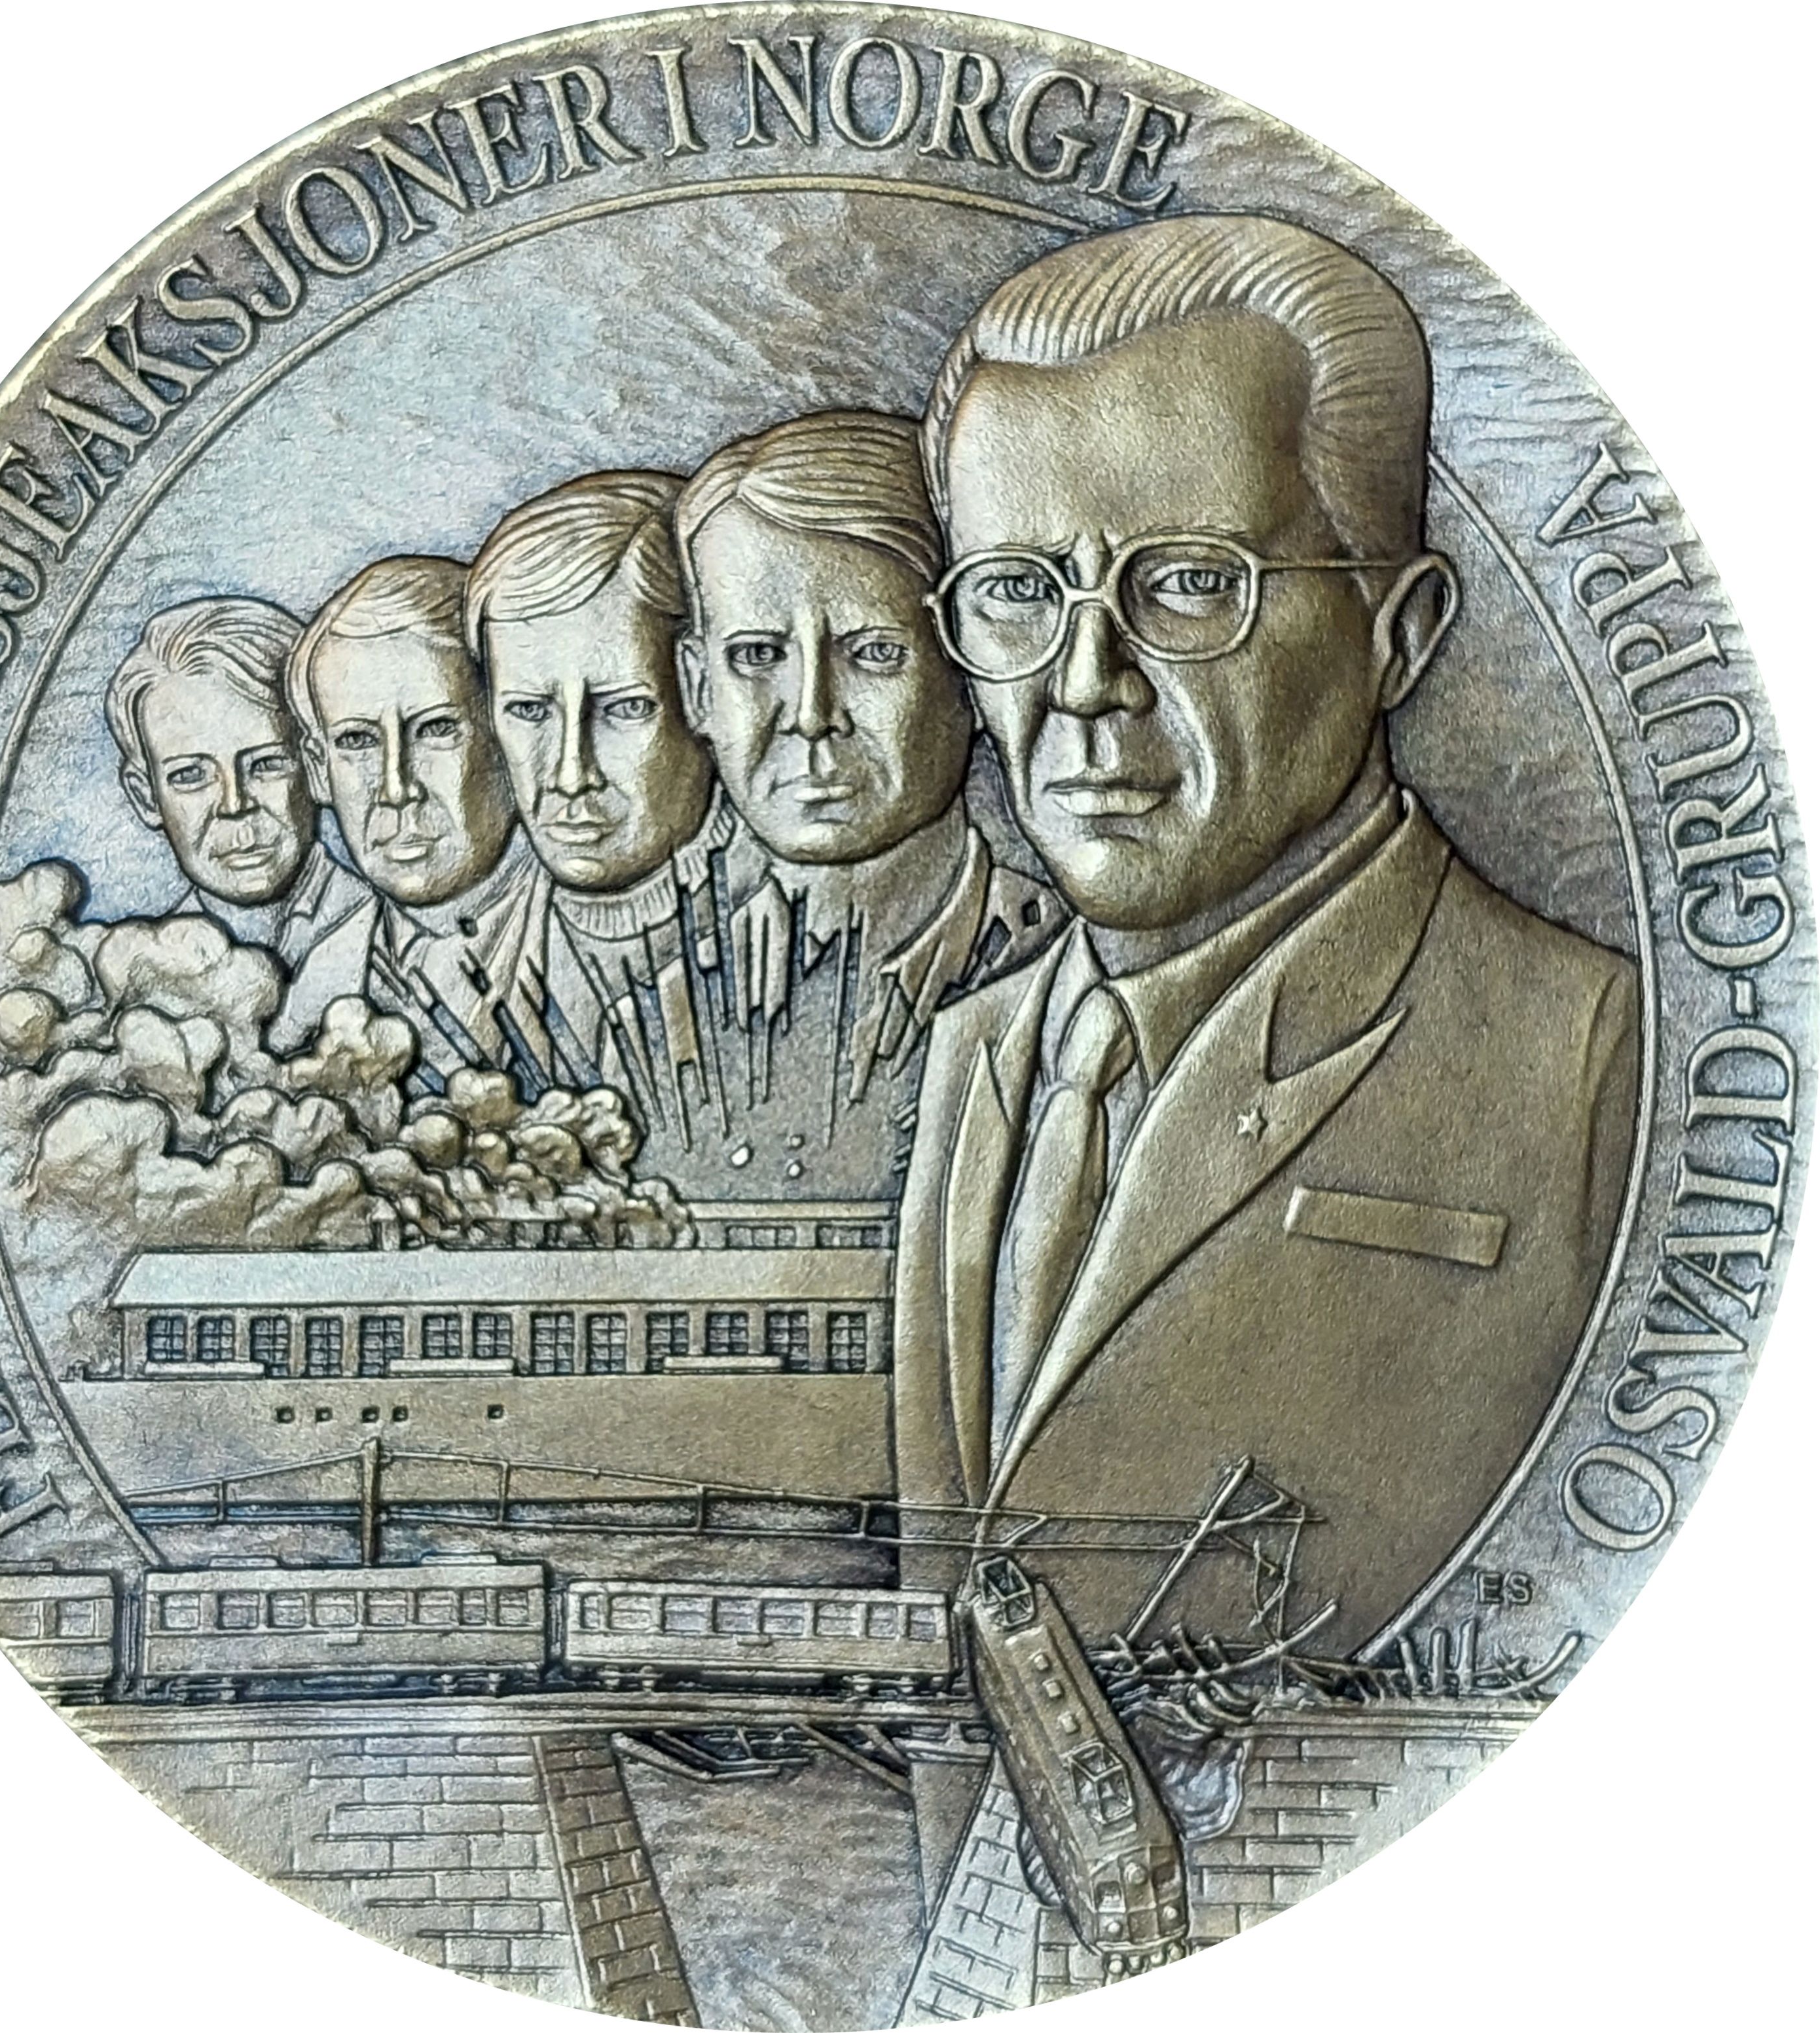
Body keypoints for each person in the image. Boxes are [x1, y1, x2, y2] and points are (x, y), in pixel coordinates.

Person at [892, 214, 1640, 1723]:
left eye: (1184, 583)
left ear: (1395, 633)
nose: (1084, 684)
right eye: (1018, 594)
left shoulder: (1580, 1056)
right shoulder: (979, 1050)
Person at [673, 410, 1062, 1195]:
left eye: (873, 653)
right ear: (696, 686)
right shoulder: (657, 1005)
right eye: (757, 655)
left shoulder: (1060, 971)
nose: (811, 713)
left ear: (970, 671)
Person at [469, 470, 735, 1133]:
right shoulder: (458, 971)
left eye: (623, 709)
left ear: (704, 692)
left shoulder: (811, 943)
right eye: (529, 711)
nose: (569, 774)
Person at [274, 555, 547, 1077]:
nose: (397, 788)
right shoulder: (315, 989)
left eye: (435, 730)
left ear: (506, 739)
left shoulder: (604, 935)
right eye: (357, 741)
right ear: (318, 770)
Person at [103, 595, 366, 964]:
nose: (235, 805)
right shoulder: (138, 969)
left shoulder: (385, 935)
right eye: (191, 776)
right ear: (146, 797)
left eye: (266, 764)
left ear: (316, 766)